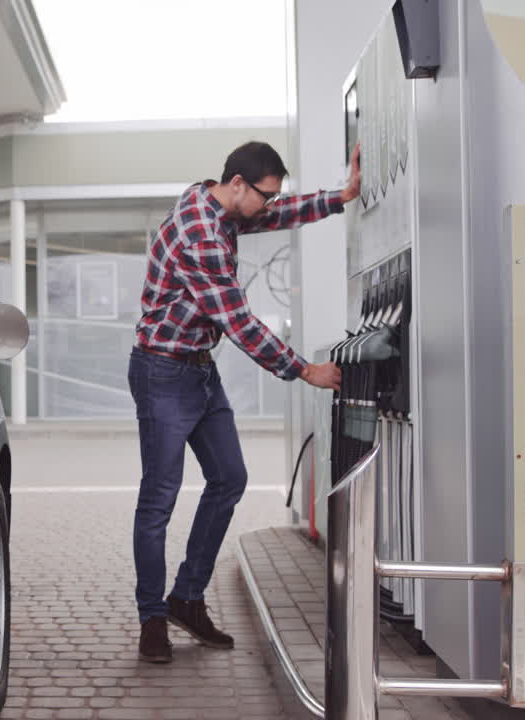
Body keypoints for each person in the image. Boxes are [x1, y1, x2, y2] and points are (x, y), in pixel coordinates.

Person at [130, 141, 358, 663]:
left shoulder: (222, 207)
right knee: (159, 498)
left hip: (198, 372)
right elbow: (238, 322)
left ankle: (186, 597)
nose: (269, 204)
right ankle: (152, 618)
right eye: (265, 195)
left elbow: (280, 215)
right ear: (237, 183)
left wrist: (341, 196)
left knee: (230, 477)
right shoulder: (201, 233)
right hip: (162, 372)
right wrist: (303, 369)